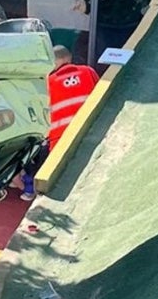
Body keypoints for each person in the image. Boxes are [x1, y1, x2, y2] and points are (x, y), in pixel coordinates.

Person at [21, 44, 100, 200]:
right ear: (69, 58)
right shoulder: (88, 72)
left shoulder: (48, 83)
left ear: (53, 63)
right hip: (91, 133)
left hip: (59, 141)